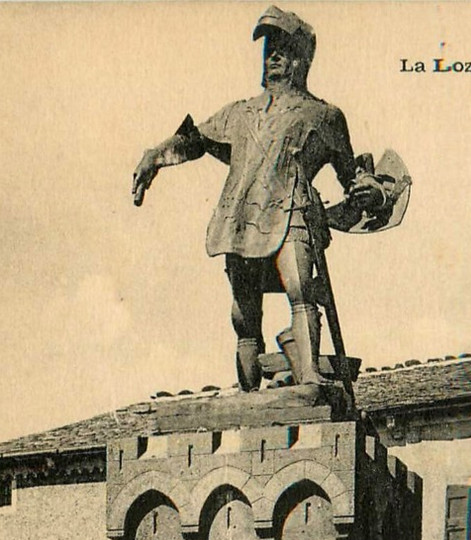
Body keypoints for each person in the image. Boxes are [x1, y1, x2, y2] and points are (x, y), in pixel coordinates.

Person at [132, 7, 388, 391]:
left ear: (302, 57)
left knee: (301, 291)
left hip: (295, 211)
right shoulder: (239, 113)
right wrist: (156, 154)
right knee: (244, 315)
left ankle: (309, 379)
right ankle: (249, 395)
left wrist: (372, 188)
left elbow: (352, 174)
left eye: (283, 47)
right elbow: (194, 139)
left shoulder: (325, 115)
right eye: (269, 47)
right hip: (241, 217)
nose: (273, 56)